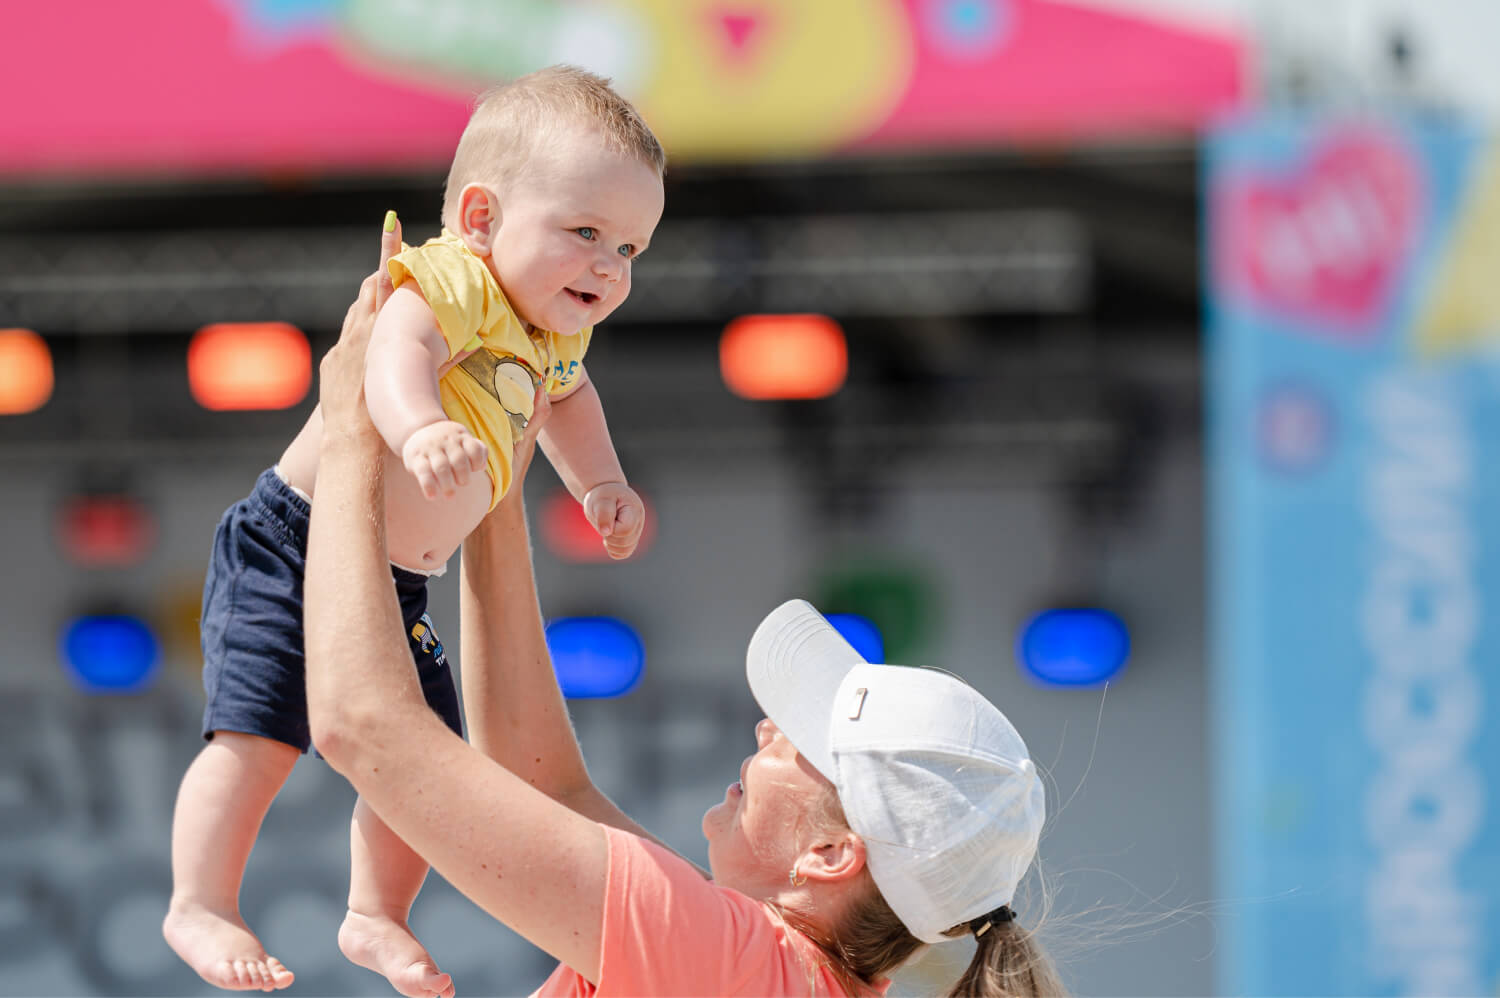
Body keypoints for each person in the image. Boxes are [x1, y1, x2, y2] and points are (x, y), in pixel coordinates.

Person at [298, 245, 1069, 996]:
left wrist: (351, 432)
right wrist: (503, 461)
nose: (769, 730)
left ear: (833, 853)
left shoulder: (730, 962)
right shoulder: (763, 970)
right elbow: (544, 787)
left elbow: (362, 728)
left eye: (798, 738)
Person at [163, 65, 665, 996]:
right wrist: (416, 424)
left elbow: (570, 403)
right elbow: (391, 349)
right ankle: (200, 900)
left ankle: (373, 914)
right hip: (295, 540)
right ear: (480, 219)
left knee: (426, 767)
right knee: (256, 740)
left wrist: (602, 484)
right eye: (586, 233)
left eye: (631, 248)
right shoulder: (456, 280)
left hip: (396, 583)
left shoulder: (555, 340)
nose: (608, 267)